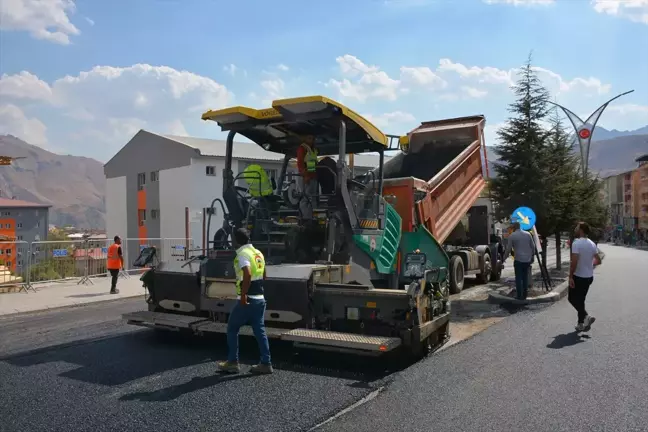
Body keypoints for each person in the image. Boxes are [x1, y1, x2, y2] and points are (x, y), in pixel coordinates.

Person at [218, 228, 273, 374]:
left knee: (232, 328)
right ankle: (266, 363)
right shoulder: (257, 253)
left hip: (248, 300)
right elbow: (265, 274)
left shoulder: (242, 254)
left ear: (236, 240)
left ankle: (232, 362)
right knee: (260, 331)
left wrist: (243, 295)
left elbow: (247, 273)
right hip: (260, 298)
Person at [569, 221, 603, 332]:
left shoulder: (576, 243)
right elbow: (598, 261)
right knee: (581, 299)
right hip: (588, 277)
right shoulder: (592, 243)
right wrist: (589, 265)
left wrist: (570, 276)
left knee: (572, 299)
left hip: (578, 276)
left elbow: (574, 262)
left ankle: (586, 316)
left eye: (577, 227)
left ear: (581, 230)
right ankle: (580, 324)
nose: (575, 229)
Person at [503, 221, 536, 300]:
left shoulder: (512, 236)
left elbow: (508, 250)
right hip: (527, 260)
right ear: (520, 226)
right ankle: (525, 295)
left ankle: (519, 296)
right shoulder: (528, 234)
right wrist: (532, 257)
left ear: (514, 228)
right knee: (525, 277)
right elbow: (533, 247)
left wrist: (503, 259)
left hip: (518, 260)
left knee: (518, 278)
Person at [296, 135, 319, 220]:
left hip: (313, 176)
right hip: (307, 176)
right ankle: (307, 218)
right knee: (305, 198)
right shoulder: (302, 148)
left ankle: (314, 216)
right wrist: (305, 176)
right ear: (304, 138)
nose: (311, 140)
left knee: (313, 198)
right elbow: (300, 163)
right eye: (309, 138)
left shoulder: (312, 149)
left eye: (312, 138)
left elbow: (313, 163)